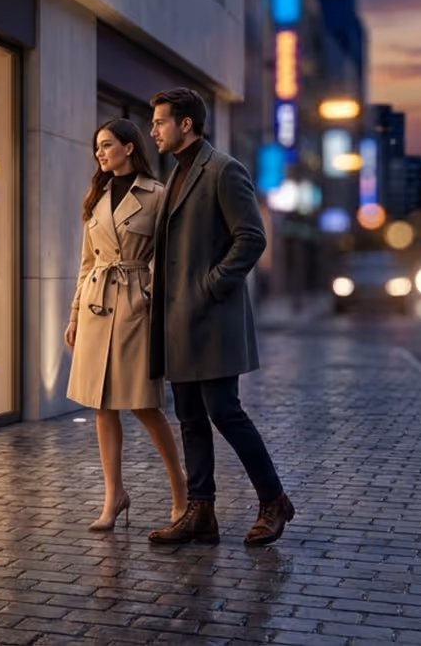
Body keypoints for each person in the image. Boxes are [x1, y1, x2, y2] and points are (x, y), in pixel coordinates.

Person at [144, 88, 295, 546]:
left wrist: (208, 287)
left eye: (160, 122)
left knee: (225, 412)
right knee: (189, 417)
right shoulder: (174, 176)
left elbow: (250, 238)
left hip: (210, 317)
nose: (153, 130)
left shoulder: (224, 170)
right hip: (176, 322)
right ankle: (201, 510)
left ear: (185, 124)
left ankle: (274, 502)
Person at [64, 119, 188, 531]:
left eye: (107, 145)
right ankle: (113, 495)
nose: (100, 153)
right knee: (102, 405)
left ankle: (180, 491)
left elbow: (170, 255)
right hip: (97, 303)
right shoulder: (96, 197)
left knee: (143, 404)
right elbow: (87, 263)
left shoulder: (156, 194)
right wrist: (74, 314)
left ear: (130, 147)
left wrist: (149, 292)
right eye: (96, 147)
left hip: (135, 305)